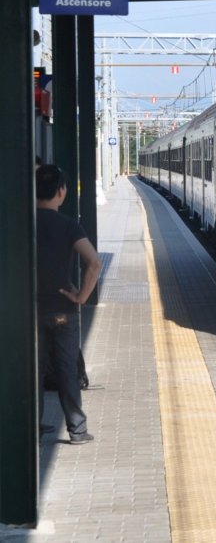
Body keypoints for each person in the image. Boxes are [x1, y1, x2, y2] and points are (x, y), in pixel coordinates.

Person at [36, 164, 101, 444]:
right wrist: (81, 297)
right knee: (66, 370)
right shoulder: (68, 225)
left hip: (30, 310)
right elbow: (94, 264)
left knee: (33, 372)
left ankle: (33, 428)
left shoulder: (22, 224)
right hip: (62, 308)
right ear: (62, 192)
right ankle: (77, 430)